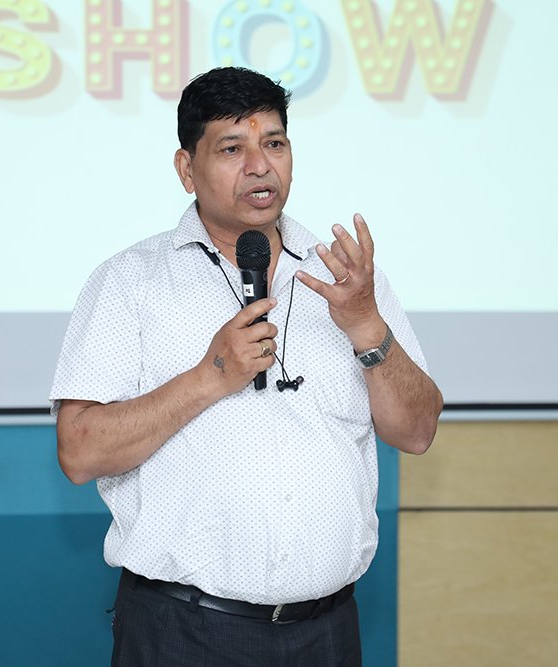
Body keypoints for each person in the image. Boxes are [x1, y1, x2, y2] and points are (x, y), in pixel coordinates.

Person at [50, 66, 443, 666]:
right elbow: (79, 452)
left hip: (327, 633)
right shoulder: (131, 282)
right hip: (183, 633)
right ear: (187, 169)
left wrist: (366, 325)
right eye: (232, 148)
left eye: (274, 144)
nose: (260, 166)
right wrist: (211, 376)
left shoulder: (347, 280)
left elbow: (416, 432)